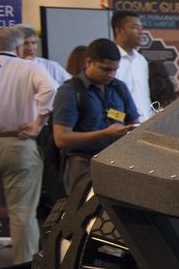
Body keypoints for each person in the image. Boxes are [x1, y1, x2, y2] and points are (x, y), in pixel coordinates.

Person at [0, 26, 57, 269]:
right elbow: (51, 89)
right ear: (20, 47)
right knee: (22, 212)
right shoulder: (29, 67)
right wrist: (38, 123)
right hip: (17, 143)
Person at [52, 38, 139, 192]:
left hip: (116, 165)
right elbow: (61, 138)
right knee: (82, 213)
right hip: (83, 166)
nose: (111, 74)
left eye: (115, 69)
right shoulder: (70, 91)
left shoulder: (119, 88)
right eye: (105, 69)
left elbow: (134, 121)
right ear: (89, 62)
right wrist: (104, 134)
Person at [111, 10, 153, 121]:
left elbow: (144, 95)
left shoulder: (141, 60)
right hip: (122, 126)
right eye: (135, 27)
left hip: (145, 124)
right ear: (119, 30)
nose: (140, 32)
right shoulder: (110, 60)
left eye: (141, 27)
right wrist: (120, 120)